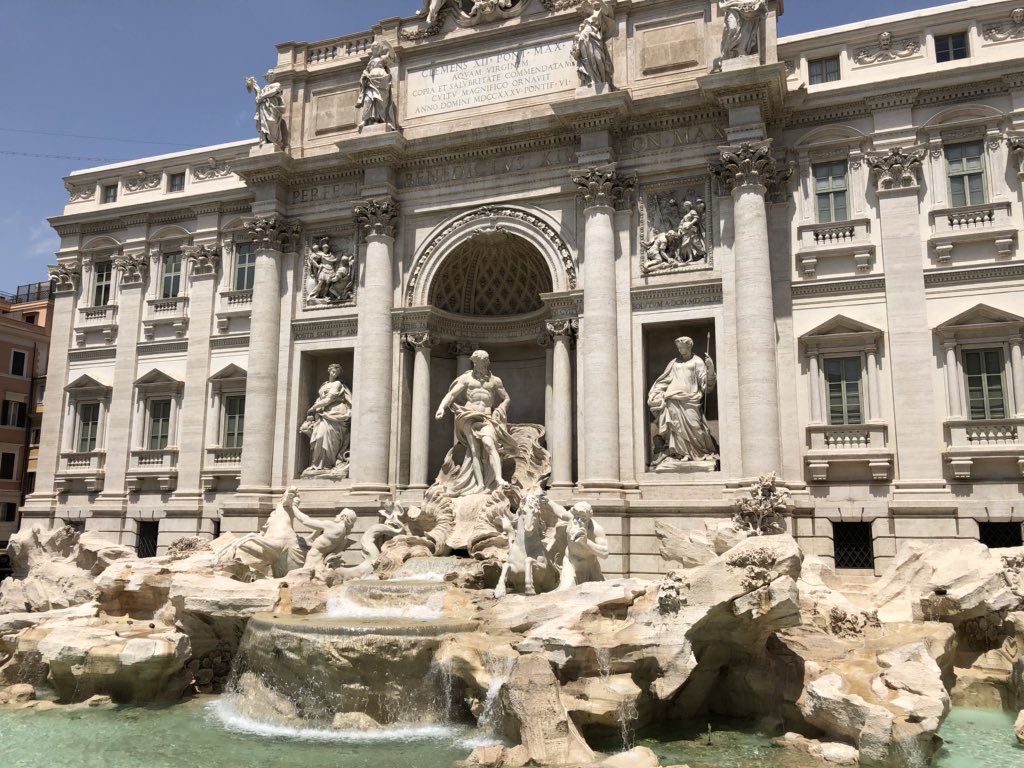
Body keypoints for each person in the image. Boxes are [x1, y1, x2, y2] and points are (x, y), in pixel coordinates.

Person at [435, 349, 518, 494]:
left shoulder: (495, 380)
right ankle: (480, 485)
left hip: (487, 417)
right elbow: (452, 394)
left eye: (481, 363)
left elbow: (506, 398)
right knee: (474, 451)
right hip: (469, 415)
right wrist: (441, 407)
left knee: (490, 444)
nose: (478, 366)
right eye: (476, 363)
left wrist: (500, 409)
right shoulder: (466, 379)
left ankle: (498, 478)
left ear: (487, 362)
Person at [647, 336, 719, 466]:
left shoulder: (698, 362)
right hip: (673, 398)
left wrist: (711, 368)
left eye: (682, 348)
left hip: (691, 399)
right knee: (676, 427)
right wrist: (656, 392)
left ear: (689, 347)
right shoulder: (674, 363)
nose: (680, 350)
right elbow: (665, 380)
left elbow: (706, 385)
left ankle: (700, 452)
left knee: (695, 425)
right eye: (678, 348)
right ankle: (682, 454)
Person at [300, 363, 352, 474]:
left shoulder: (337, 384)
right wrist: (315, 409)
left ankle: (328, 464)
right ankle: (317, 464)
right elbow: (320, 399)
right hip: (323, 414)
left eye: (336, 372)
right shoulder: (324, 385)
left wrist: (313, 408)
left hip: (335, 412)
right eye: (332, 371)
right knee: (319, 436)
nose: (334, 373)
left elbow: (329, 399)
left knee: (328, 438)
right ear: (329, 371)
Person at [292, 506, 357, 573]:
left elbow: (305, 521)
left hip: (312, 563)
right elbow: (330, 552)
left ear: (344, 517)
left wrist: (293, 506)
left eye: (339, 514)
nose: (336, 515)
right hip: (320, 564)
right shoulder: (344, 538)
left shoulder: (331, 526)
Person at [571, 0, 615, 88]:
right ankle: (593, 79)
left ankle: (601, 80)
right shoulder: (585, 20)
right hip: (584, 40)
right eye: (584, 9)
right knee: (587, 61)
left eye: (586, 7)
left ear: (590, 6)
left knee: (598, 58)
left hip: (595, 39)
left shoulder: (597, 13)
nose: (585, 10)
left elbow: (606, 11)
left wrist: (600, 1)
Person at [357, 41, 397, 131]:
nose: (375, 49)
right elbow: (366, 71)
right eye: (373, 48)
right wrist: (364, 76)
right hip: (370, 82)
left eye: (376, 47)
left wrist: (388, 45)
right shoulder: (370, 61)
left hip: (382, 81)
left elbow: (392, 56)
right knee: (368, 100)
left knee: (380, 101)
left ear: (379, 49)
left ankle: (379, 119)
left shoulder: (382, 58)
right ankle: (366, 119)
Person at [245, 72, 286, 148]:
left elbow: (273, 91)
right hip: (263, 106)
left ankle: (274, 140)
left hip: (271, 107)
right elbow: (259, 95)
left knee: (272, 121)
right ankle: (264, 139)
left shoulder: (277, 84)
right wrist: (254, 86)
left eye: (272, 75)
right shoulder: (265, 87)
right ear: (267, 77)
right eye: (269, 75)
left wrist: (263, 96)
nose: (271, 76)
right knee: (263, 123)